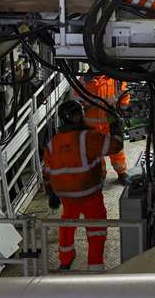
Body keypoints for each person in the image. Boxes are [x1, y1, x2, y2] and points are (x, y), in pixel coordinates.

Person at [40, 99, 117, 270]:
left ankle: (65, 260)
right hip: (90, 194)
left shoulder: (53, 144)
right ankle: (95, 266)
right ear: (80, 116)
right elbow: (116, 145)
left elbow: (47, 170)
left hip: (66, 196)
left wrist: (51, 193)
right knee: (96, 228)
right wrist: (115, 124)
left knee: (67, 226)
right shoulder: (88, 138)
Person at [80, 74, 131, 183]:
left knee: (116, 149)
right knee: (95, 152)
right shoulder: (83, 81)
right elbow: (77, 100)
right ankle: (100, 175)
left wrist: (121, 112)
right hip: (91, 125)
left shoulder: (116, 79)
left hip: (110, 122)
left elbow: (124, 96)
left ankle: (121, 173)